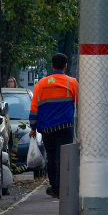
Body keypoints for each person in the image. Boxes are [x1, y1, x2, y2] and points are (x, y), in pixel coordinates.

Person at [29, 53, 78, 198]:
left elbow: (34, 108)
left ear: (52, 65)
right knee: (64, 158)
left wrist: (33, 127)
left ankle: (55, 188)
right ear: (65, 66)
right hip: (65, 127)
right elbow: (80, 103)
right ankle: (64, 187)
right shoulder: (72, 83)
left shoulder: (41, 84)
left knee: (51, 157)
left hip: (47, 129)